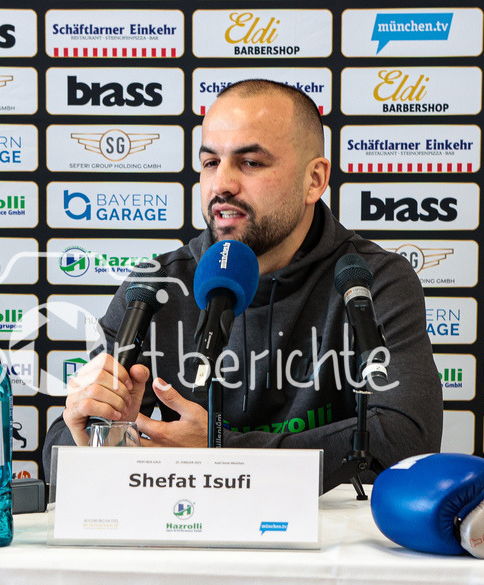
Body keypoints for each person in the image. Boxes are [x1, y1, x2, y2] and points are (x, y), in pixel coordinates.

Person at [43, 79, 442, 489]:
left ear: (314, 180)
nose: (222, 185)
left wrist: (222, 453)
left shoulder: (371, 279)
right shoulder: (155, 287)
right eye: (211, 162)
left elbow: (405, 438)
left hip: (326, 544)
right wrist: (98, 438)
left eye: (250, 162)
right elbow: (57, 456)